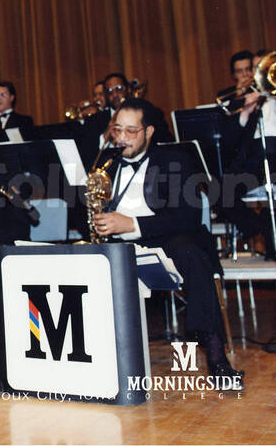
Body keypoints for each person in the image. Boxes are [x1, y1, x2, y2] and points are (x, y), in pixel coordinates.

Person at [93, 98, 242, 378]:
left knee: (192, 254)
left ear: (148, 132)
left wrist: (131, 224)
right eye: (117, 130)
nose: (121, 138)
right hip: (119, 245)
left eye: (130, 131)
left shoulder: (175, 161)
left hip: (166, 238)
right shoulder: (107, 167)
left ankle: (216, 356)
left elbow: (186, 217)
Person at [221, 50, 276, 259]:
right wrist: (245, 111)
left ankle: (273, 231)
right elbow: (228, 143)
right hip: (252, 160)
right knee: (220, 192)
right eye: (257, 68)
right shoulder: (241, 99)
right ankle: (262, 227)